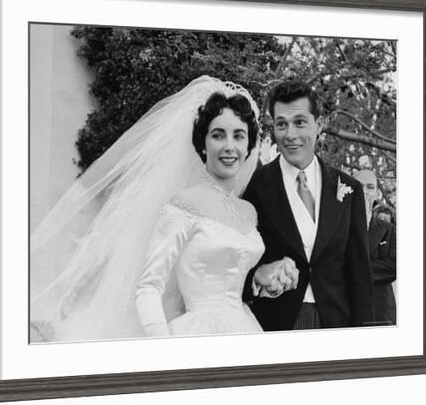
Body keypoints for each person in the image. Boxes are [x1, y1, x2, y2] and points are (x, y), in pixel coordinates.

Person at [30, 76, 264, 342]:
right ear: (203, 144)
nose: (229, 146)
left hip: (246, 328)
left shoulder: (248, 212)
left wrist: (263, 281)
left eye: (238, 136)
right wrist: (161, 342)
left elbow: (232, 270)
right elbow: (149, 287)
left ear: (248, 146)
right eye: (218, 135)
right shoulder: (183, 205)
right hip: (199, 333)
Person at [243, 80, 374, 331]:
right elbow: (236, 265)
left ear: (319, 125)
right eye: (282, 124)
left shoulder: (349, 189)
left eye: (300, 122)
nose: (290, 134)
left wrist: (365, 335)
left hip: (336, 322)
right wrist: (259, 275)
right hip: (274, 322)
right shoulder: (255, 186)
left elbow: (359, 274)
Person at [354, 169, 396, 325]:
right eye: (359, 186)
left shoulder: (389, 229)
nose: (364, 191)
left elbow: (394, 266)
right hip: (346, 311)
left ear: (377, 193)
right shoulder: (337, 226)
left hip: (380, 311)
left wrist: (355, 269)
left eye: (370, 187)